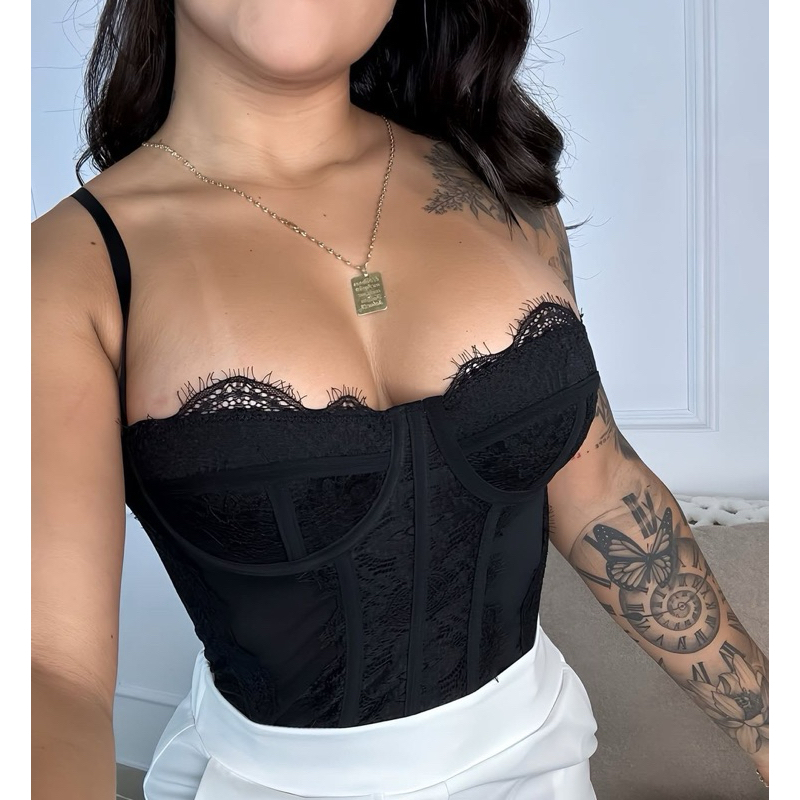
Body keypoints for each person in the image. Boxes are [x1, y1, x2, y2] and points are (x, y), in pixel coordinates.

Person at [31, 1, 769, 798]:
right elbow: (48, 669)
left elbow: (601, 492)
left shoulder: (498, 182)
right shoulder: (67, 272)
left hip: (544, 766)